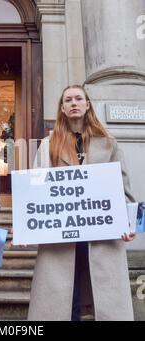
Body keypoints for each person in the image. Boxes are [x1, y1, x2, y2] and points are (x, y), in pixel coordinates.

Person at [28, 84, 135, 321]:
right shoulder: (48, 145)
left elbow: (124, 189)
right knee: (64, 301)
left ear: (87, 105)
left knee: (104, 302)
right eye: (68, 100)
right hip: (61, 236)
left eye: (79, 99)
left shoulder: (109, 143)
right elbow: (36, 190)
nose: (74, 103)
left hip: (102, 235)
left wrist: (128, 223)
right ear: (62, 109)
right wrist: (29, 224)